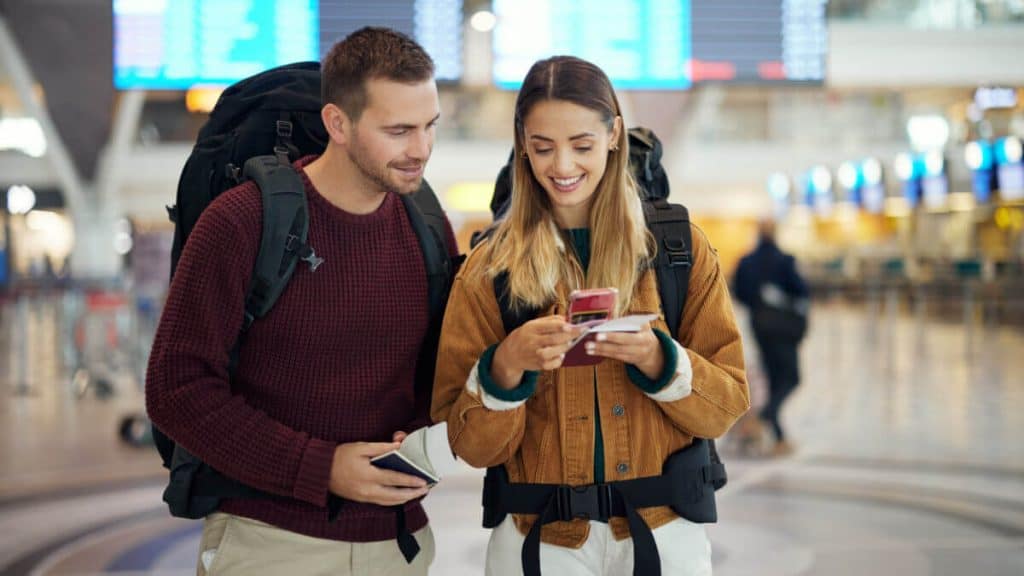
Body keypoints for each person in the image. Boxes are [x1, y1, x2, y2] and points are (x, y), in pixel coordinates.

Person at [146, 27, 458, 576]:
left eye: (430, 126)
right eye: (398, 130)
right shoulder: (243, 222)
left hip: (399, 545)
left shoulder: (427, 228)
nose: (421, 149)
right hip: (269, 545)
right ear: (338, 123)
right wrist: (322, 467)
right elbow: (176, 388)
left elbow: (433, 377)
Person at [431, 55, 749, 576]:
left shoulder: (677, 250)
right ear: (521, 144)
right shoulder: (490, 269)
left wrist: (660, 361)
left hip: (662, 534)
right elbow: (471, 446)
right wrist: (504, 370)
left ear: (614, 135)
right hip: (539, 540)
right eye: (542, 147)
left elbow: (728, 403)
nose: (562, 166)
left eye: (581, 145)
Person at [733, 219, 809, 457]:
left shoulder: (746, 262)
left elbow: (739, 291)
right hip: (783, 328)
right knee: (791, 378)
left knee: (775, 378)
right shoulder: (785, 261)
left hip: (760, 326)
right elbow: (802, 291)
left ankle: (779, 438)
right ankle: (763, 418)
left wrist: (758, 306)